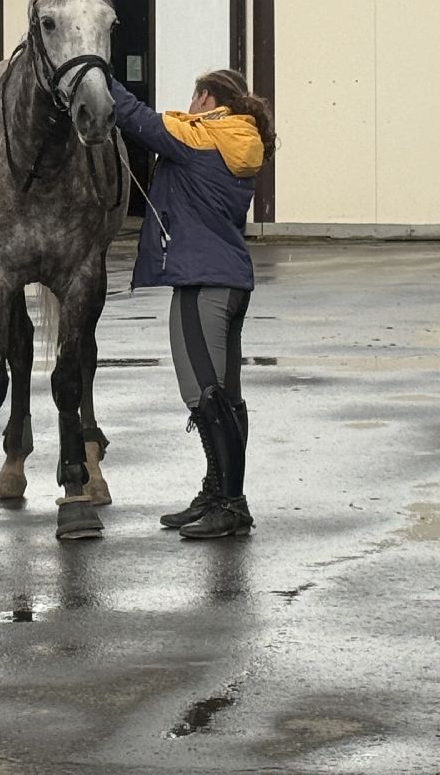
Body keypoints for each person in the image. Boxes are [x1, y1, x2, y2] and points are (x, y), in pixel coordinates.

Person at [108, 68, 276, 539]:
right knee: (226, 396)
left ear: (206, 98)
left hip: (202, 285)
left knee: (204, 395)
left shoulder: (200, 138)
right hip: (231, 282)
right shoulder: (238, 140)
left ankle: (232, 504)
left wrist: (95, 67)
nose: (190, 107)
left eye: (193, 97)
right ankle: (216, 490)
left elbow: (133, 116)